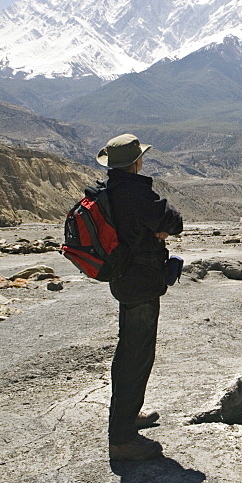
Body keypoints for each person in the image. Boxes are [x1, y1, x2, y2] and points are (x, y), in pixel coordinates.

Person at [96, 133, 183, 461]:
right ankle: (121, 439)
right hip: (141, 283)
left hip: (124, 281)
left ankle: (129, 415)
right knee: (135, 356)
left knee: (131, 351)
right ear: (136, 162)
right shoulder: (134, 192)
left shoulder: (110, 190)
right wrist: (159, 229)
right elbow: (174, 220)